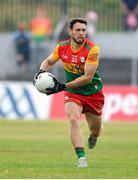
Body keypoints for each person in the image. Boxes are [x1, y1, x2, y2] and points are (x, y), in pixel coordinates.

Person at [33, 18, 104, 168]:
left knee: (96, 130)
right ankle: (81, 159)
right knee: (73, 119)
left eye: (84, 30)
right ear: (70, 31)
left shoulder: (92, 49)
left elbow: (87, 77)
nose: (81, 33)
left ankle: (93, 136)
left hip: (92, 93)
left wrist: (62, 86)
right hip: (73, 92)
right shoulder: (62, 47)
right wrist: (40, 73)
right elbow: (48, 62)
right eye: (78, 30)